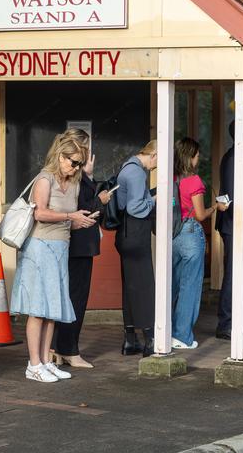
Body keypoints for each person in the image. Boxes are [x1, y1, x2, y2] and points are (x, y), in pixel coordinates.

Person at [10, 133, 96, 383]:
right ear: (60, 156)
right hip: (39, 247)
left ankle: (46, 361)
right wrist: (71, 216)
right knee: (38, 309)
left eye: (79, 163)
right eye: (72, 161)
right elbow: (41, 214)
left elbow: (68, 221)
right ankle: (33, 363)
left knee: (51, 309)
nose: (75, 167)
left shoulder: (75, 182)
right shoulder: (44, 179)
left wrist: (82, 221)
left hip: (60, 248)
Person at [51, 128, 111, 369]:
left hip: (76, 243)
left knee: (69, 297)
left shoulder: (78, 174)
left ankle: (58, 348)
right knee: (75, 297)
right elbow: (82, 208)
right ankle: (68, 349)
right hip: (77, 243)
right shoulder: (70, 176)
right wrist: (101, 200)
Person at [171, 138, 227, 349]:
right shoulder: (194, 181)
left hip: (173, 234)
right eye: (197, 155)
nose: (199, 158)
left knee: (172, 285)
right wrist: (216, 207)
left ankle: (165, 331)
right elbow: (201, 215)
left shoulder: (173, 178)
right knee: (190, 287)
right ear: (190, 156)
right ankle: (182, 336)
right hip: (190, 233)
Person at [215, 121, 243, 340]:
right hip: (235, 226)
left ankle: (232, 322)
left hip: (236, 226)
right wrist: (241, 227)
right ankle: (227, 323)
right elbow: (233, 198)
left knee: (236, 275)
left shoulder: (238, 157)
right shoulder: (234, 160)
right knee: (234, 275)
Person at [115, 140, 157, 357]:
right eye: (156, 163)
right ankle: (151, 339)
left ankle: (130, 340)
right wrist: (154, 200)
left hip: (124, 234)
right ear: (154, 155)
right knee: (145, 285)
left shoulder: (126, 167)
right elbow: (135, 207)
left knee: (130, 286)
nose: (154, 167)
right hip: (136, 234)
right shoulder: (138, 173)